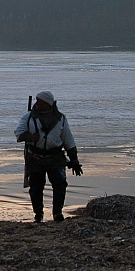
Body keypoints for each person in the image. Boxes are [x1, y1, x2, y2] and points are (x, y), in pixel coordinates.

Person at [15, 90, 83, 222]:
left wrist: (74, 159)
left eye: (40, 101)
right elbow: (19, 134)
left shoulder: (61, 119)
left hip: (55, 157)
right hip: (35, 157)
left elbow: (68, 139)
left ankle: (57, 213)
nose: (37, 103)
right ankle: (38, 215)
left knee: (60, 185)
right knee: (35, 188)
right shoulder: (28, 117)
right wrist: (30, 137)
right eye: (36, 100)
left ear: (48, 103)